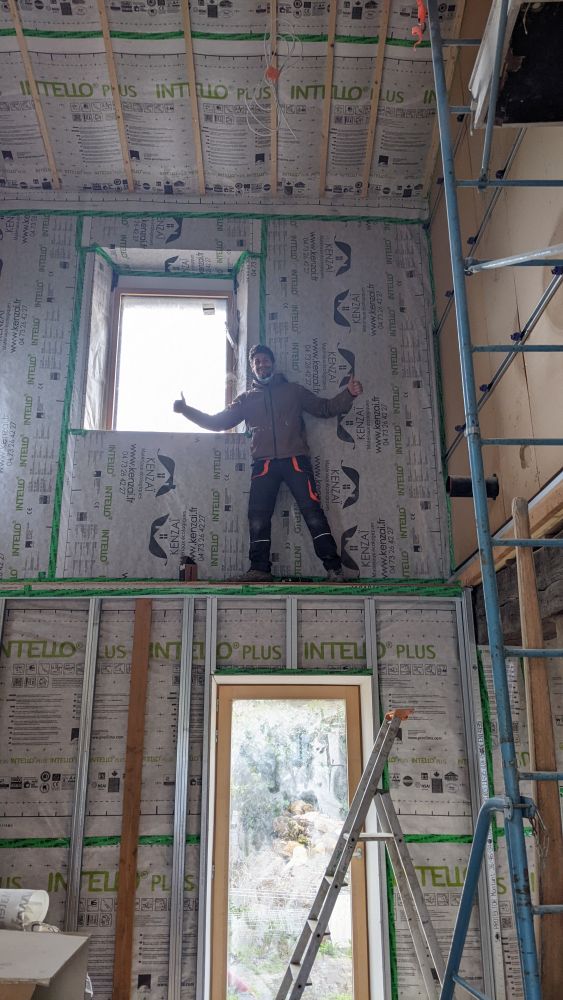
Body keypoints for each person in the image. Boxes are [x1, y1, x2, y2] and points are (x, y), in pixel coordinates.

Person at [173, 344, 363, 582]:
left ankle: (334, 569)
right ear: (253, 369)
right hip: (264, 466)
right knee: (257, 517)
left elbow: (324, 408)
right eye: (257, 362)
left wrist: (349, 394)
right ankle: (259, 570)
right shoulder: (245, 400)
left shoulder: (293, 390)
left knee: (313, 513)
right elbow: (217, 423)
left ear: (273, 363)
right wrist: (186, 410)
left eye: (265, 360)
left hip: (295, 461)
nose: (262, 365)